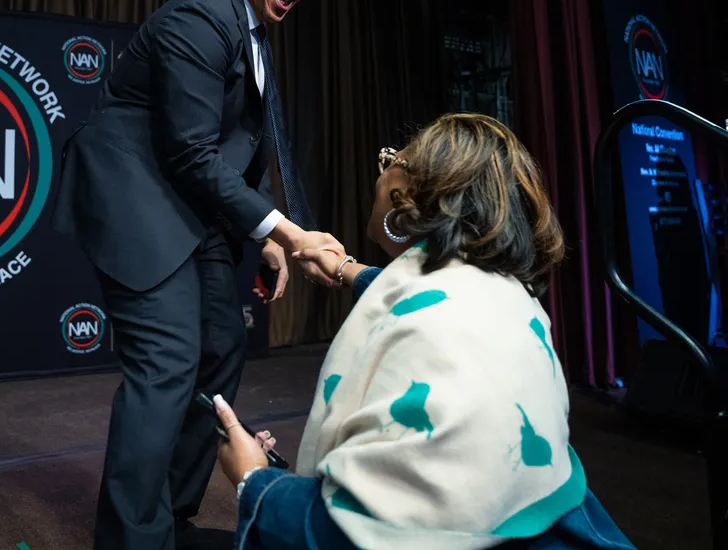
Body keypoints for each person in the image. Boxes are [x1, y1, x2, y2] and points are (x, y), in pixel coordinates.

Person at [50, 0, 344, 550]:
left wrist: (261, 236)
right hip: (136, 195)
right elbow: (189, 151)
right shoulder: (201, 19)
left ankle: (172, 517)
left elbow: (234, 146)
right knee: (167, 362)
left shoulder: (253, 33)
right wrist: (290, 234)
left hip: (190, 205)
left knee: (218, 349)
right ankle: (133, 541)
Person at [213, 113, 635, 549]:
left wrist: (254, 481)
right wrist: (345, 271)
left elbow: (359, 535)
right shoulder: (501, 293)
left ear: (402, 194)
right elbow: (420, 293)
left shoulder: (431, 332)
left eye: (390, 159)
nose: (381, 168)